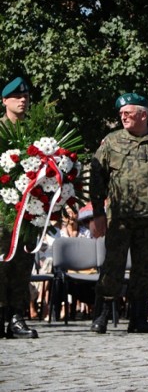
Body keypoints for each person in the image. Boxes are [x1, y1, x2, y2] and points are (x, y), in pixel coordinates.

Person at [89, 92, 148, 334]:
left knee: (145, 270)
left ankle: (138, 318)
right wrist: (97, 213)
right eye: (121, 114)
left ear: (143, 115)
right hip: (119, 217)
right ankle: (101, 314)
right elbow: (95, 178)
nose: (122, 117)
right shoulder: (111, 142)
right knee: (112, 266)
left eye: (128, 113)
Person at [0, 77, 38, 339]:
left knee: (23, 263)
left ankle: (16, 316)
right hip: (2, 210)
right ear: (4, 101)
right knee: (1, 262)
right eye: (16, 97)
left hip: (29, 210)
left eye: (25, 97)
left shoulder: (36, 133)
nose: (22, 100)